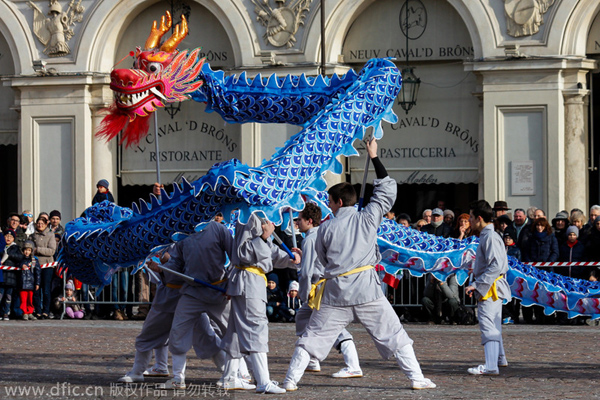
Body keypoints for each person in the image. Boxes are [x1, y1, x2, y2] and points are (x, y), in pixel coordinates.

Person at [282, 138, 435, 391]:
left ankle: (290, 380)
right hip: (365, 290)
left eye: (330, 202)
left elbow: (321, 259)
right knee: (394, 334)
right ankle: (417, 378)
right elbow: (387, 190)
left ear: (339, 202)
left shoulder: (326, 228)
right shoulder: (367, 218)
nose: (328, 207)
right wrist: (374, 156)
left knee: (312, 337)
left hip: (337, 292)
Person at [219, 213, 301, 394]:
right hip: (248, 281)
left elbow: (269, 253)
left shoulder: (262, 216)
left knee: (235, 332)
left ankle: (230, 377)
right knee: (255, 328)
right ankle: (263, 381)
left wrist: (290, 258)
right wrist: (263, 236)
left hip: (251, 280)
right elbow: (243, 252)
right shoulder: (249, 216)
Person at [292, 202, 363, 378]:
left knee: (332, 325)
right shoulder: (322, 234)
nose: (297, 222)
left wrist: (304, 292)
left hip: (319, 289)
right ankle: (313, 360)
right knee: (305, 318)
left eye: (299, 219)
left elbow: (308, 271)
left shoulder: (309, 239)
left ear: (309, 221)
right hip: (326, 286)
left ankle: (352, 364)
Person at [465, 200, 510, 375]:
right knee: (494, 324)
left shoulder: (490, 236)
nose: (469, 220)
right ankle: (500, 358)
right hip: (492, 286)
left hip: (490, 288)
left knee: (488, 324)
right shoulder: (489, 235)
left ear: (479, 218)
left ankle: (491, 365)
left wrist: (477, 284)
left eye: (471, 217)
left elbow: (496, 265)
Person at [29, 215, 56, 319]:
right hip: (36, 265)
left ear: (46, 224)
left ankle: (46, 310)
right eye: (38, 223)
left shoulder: (50, 235)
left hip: (47, 265)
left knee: (46, 289)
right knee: (36, 288)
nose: (40, 225)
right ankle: (38, 310)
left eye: (42, 224)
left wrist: (38, 249)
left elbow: (51, 251)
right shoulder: (32, 236)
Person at [1, 229, 23, 320]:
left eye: (10, 237)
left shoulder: (16, 248)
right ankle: (0, 312)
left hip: (11, 277)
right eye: (6, 236)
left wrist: (9, 255)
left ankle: (6, 312)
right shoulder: (1, 247)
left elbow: (19, 257)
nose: (8, 238)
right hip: (1, 277)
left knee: (8, 296)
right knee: (0, 295)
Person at [19, 241, 41, 321]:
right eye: (25, 250)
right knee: (23, 299)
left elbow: (37, 272)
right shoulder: (21, 259)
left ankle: (30, 312)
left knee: (30, 299)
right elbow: (18, 264)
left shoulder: (34, 261)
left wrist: (37, 283)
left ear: (31, 251)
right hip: (22, 283)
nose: (26, 252)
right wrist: (21, 265)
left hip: (31, 283)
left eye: (28, 250)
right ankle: (24, 312)